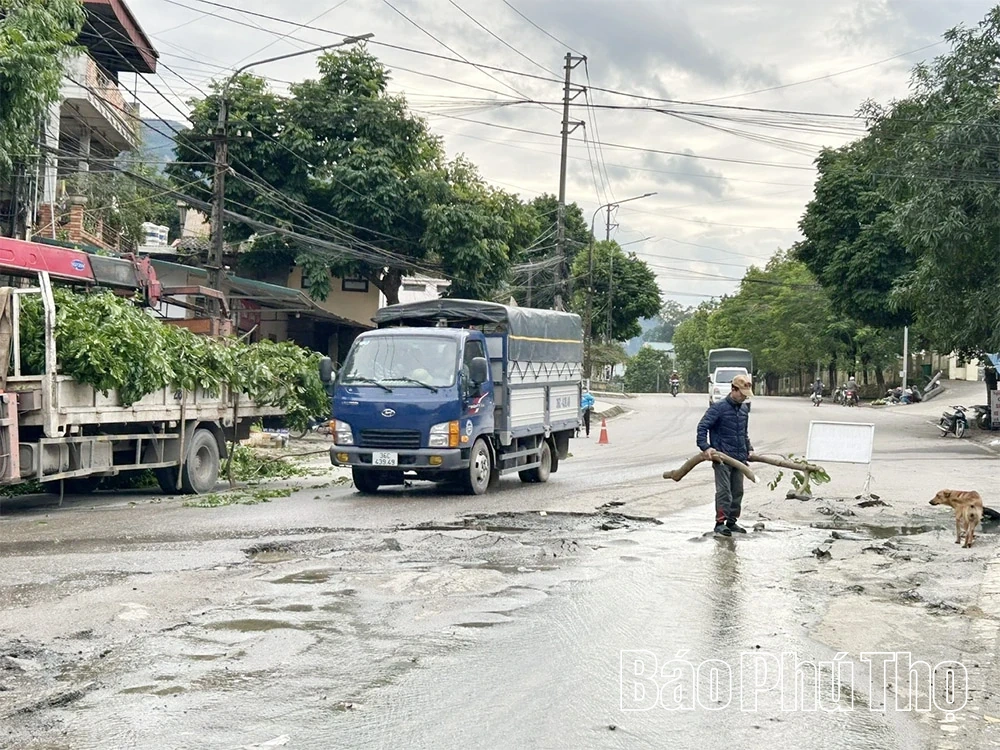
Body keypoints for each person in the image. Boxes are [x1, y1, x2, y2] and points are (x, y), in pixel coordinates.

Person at [696, 374, 754, 537]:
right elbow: (702, 427)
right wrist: (706, 447)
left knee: (738, 491)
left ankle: (732, 522)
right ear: (733, 390)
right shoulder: (718, 408)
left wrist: (748, 448)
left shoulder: (743, 409)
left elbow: (743, 432)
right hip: (721, 458)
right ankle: (720, 523)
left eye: (746, 395)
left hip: (739, 458)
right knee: (724, 492)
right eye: (742, 394)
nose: (744, 397)